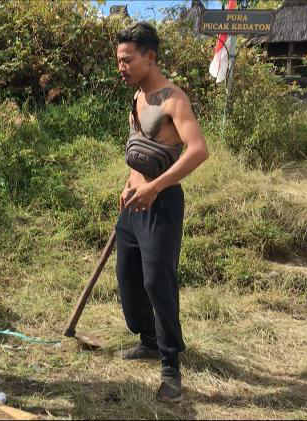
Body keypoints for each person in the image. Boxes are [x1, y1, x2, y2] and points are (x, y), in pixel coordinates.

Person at [115, 22, 209, 402]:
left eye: (127, 60)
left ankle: (171, 368)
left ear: (149, 56)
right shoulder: (137, 96)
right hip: (134, 206)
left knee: (159, 284)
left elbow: (198, 150)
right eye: (119, 60)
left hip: (163, 205)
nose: (121, 67)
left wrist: (155, 187)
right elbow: (140, 148)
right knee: (128, 280)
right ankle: (148, 340)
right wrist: (131, 181)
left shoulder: (173, 99)